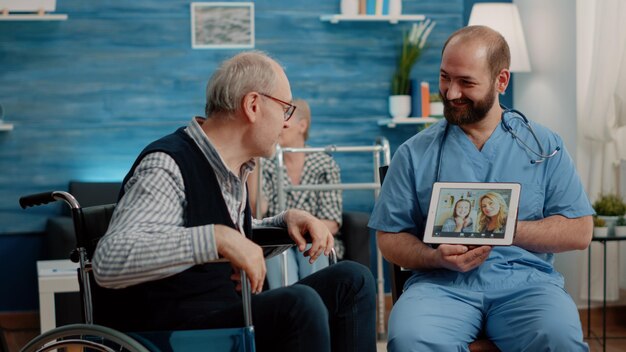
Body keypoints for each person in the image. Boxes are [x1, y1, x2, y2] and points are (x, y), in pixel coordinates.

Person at [92, 51, 376, 352]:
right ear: (253, 105)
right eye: (285, 109)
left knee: (353, 279)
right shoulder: (167, 165)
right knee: (298, 305)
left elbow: (216, 232)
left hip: (224, 319)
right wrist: (218, 237)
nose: (285, 123)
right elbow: (109, 260)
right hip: (173, 333)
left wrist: (284, 221)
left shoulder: (233, 169)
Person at [369, 25, 593, 351]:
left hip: (526, 286)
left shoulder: (544, 145)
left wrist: (504, 229)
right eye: (445, 77)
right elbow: (388, 238)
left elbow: (580, 231)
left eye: (466, 82)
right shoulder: (415, 152)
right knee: (410, 339)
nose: (451, 92)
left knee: (557, 335)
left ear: (501, 81)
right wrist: (434, 258)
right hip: (440, 286)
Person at [247, 98, 343, 289]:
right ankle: (288, 311)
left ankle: (317, 310)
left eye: (284, 125)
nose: (278, 129)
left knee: (314, 244)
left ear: (302, 125)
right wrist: (254, 159)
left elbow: (331, 223)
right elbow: (259, 209)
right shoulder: (265, 163)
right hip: (279, 237)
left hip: (312, 237)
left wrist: (302, 230)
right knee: (276, 253)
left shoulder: (324, 163)